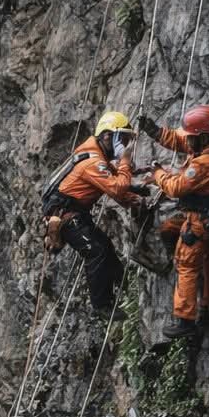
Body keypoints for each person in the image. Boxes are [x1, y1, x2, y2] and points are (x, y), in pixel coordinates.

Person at [137, 104, 209, 340]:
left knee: (187, 264)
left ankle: (185, 320)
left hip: (200, 223)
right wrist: (155, 132)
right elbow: (181, 141)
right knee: (171, 232)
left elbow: (175, 187)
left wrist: (158, 174)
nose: (188, 141)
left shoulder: (206, 163)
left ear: (202, 137)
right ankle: (203, 307)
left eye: (192, 137)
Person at [40, 110, 146, 313]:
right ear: (107, 136)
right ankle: (102, 305)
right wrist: (124, 161)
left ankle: (123, 284)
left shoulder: (97, 157)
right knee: (96, 251)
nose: (124, 145)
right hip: (67, 216)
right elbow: (117, 188)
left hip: (76, 213)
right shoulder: (93, 162)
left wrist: (134, 196)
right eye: (122, 139)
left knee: (105, 246)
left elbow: (112, 185)